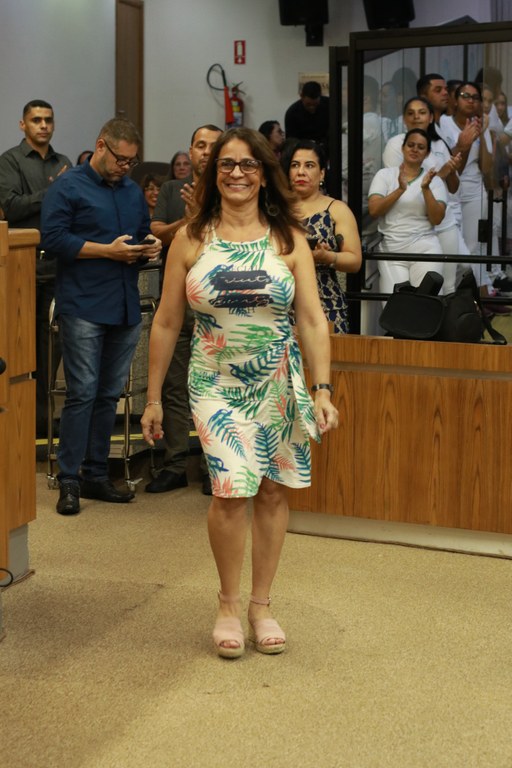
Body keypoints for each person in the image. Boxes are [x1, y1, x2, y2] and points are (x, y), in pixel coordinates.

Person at [141, 127, 338, 658]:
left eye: (249, 164)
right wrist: (154, 397)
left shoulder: (288, 239)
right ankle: (228, 604)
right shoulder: (190, 238)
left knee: (272, 491)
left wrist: (321, 389)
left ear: (264, 174)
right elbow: (166, 322)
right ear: (213, 173)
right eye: (226, 164)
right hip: (214, 383)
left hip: (277, 382)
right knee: (230, 490)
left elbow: (312, 320)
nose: (237, 173)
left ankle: (261, 605)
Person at [40, 118, 162, 516]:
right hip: (83, 303)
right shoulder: (68, 186)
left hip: (124, 304)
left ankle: (95, 473)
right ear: (100, 146)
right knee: (82, 393)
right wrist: (106, 251)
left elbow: (140, 234)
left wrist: (149, 246)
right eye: (120, 159)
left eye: (132, 161)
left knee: (109, 394)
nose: (125, 167)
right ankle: (69, 479)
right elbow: (53, 239)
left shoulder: (131, 191)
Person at [146, 124, 223, 495]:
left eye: (213, 146)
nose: (206, 152)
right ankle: (175, 463)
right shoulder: (172, 189)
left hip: (216, 304)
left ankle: (214, 467)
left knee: (216, 388)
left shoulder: (232, 191)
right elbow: (158, 233)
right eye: (200, 145)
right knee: (175, 387)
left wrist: (204, 215)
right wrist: (189, 221)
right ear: (190, 152)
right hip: (177, 301)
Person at [0, 99, 72, 439]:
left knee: (52, 350)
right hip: (22, 268)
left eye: (48, 120)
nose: (43, 125)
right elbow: (11, 207)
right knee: (20, 350)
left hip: (58, 266)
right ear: (23, 125)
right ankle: (21, 426)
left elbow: (71, 208)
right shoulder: (10, 161)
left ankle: (43, 426)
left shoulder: (64, 162)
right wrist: (53, 190)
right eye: (36, 120)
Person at [382, 96, 464, 292]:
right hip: (414, 230)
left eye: (422, 112)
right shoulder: (396, 144)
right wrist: (442, 172)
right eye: (411, 113)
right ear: (404, 119)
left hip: (444, 224)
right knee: (417, 291)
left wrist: (451, 171)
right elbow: (405, 187)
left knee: (448, 285)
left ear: (431, 117)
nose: (416, 117)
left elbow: (453, 188)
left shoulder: (439, 144)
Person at [281, 139, 361, 332]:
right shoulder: (276, 209)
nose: (301, 172)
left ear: (322, 173)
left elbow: (355, 261)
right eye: (295, 165)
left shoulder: (337, 209)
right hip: (280, 304)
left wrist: (328, 257)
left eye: (309, 165)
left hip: (325, 304)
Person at [368, 128, 447, 294]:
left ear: (427, 153)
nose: (415, 149)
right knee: (395, 305)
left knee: (426, 303)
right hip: (392, 251)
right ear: (403, 148)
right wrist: (400, 190)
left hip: (426, 249)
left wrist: (426, 189)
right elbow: (374, 210)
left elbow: (437, 219)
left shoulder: (435, 181)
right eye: (411, 145)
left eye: (420, 147)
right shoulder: (385, 175)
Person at [441, 82, 495, 289]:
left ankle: (472, 294)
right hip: (450, 190)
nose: (471, 101)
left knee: (473, 247)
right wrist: (464, 143)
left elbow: (486, 167)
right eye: (465, 96)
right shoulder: (444, 123)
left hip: (474, 192)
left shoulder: (478, 124)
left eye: (475, 97)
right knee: (454, 246)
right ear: (455, 100)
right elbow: (453, 167)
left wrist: (482, 135)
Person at [284, 81, 330, 157]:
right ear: (301, 96)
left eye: (315, 104)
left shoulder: (330, 105)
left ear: (320, 96)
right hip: (303, 153)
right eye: (308, 104)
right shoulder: (292, 113)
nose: (312, 108)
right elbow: (291, 142)